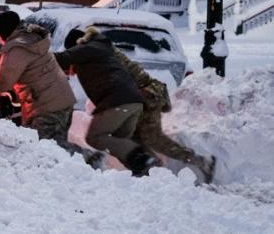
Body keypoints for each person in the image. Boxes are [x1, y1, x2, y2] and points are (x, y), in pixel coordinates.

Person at [0, 4, 77, 151]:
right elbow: (1, 26)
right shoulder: (28, 34)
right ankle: (85, 162)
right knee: (57, 146)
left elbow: (4, 83)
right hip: (62, 99)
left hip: (46, 109)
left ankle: (88, 161)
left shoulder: (17, 50)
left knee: (42, 151)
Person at [56, 28, 157, 176]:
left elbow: (62, 58)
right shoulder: (100, 48)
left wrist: (37, 54)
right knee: (120, 144)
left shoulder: (87, 48)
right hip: (133, 102)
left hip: (117, 101)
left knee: (95, 137)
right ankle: (143, 174)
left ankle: (143, 158)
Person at [112, 47, 216, 183]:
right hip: (141, 98)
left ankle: (198, 163)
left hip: (145, 99)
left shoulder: (98, 56)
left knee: (153, 138)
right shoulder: (102, 52)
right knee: (136, 138)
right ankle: (153, 173)